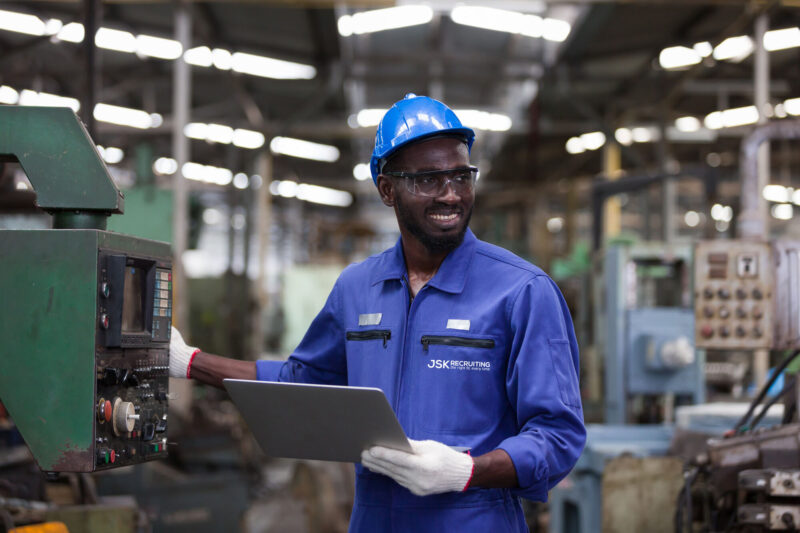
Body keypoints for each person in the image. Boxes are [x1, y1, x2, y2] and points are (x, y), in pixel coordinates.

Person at [169, 93, 585, 532]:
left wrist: (467, 471)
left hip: (474, 519)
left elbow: (557, 436)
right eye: (428, 179)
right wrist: (190, 363)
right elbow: (300, 383)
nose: (451, 194)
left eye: (462, 176)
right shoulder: (357, 288)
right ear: (387, 189)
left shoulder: (522, 291)